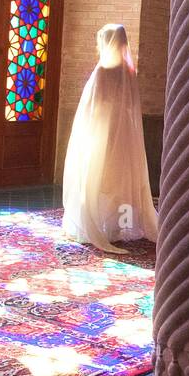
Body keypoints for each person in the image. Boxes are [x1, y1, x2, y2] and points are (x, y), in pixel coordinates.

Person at [61, 24, 158, 253]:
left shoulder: (104, 69)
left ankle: (96, 225)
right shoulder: (127, 70)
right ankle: (117, 226)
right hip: (123, 134)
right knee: (118, 179)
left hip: (101, 131)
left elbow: (94, 105)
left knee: (96, 178)